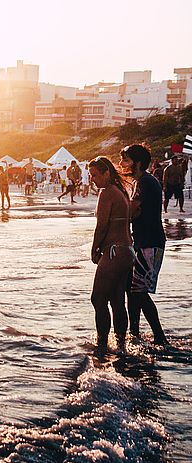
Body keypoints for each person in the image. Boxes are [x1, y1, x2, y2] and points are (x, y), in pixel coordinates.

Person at [120, 144, 167, 345]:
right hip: (146, 241)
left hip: (149, 242)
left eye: (126, 160)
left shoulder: (144, 183)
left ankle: (160, 337)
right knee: (132, 289)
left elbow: (132, 210)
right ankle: (135, 333)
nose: (122, 164)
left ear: (137, 164)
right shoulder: (146, 181)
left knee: (138, 291)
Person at [88, 157, 134, 354]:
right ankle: (121, 345)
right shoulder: (120, 191)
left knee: (98, 299)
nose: (93, 180)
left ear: (106, 173)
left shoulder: (106, 192)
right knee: (116, 300)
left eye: (95, 175)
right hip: (127, 251)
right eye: (91, 176)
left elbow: (102, 225)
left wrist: (94, 249)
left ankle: (102, 345)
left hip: (114, 251)